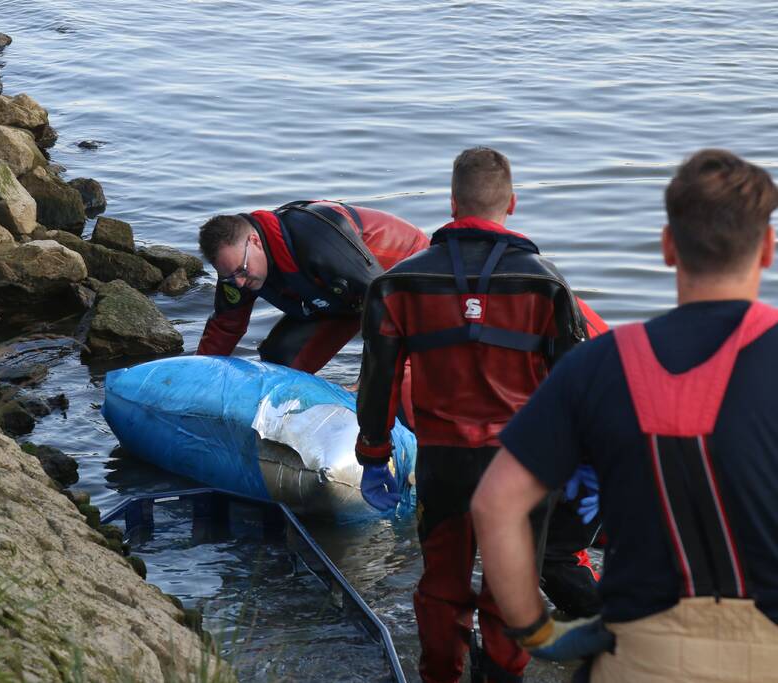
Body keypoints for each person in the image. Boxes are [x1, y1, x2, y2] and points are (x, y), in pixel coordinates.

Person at [472, 149, 778, 682]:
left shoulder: (599, 365)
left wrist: (537, 632)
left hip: (640, 654)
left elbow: (495, 505)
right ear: (768, 249)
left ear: (667, 247)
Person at [354, 147, 607, 683]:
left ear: (452, 203)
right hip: (522, 469)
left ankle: (442, 674)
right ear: (511, 203)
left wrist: (374, 454)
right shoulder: (547, 283)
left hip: (444, 464)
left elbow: (377, 381)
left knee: (441, 586)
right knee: (509, 587)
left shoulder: (397, 283)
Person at [196, 200, 430, 373]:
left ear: (255, 241)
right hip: (340, 297)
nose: (238, 282)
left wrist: (368, 379)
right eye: (228, 277)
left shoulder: (316, 239)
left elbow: (385, 305)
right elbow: (225, 327)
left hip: (402, 279)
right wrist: (197, 376)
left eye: (241, 271)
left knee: (393, 382)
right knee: (279, 361)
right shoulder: (237, 268)